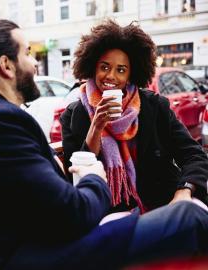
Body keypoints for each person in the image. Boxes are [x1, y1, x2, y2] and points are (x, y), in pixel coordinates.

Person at [0, 19, 208, 270]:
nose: (34, 63)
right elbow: (72, 210)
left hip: (31, 245)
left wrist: (184, 190)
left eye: (121, 70)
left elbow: (47, 199)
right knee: (189, 219)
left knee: (185, 210)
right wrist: (95, 176)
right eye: (27, 53)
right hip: (25, 256)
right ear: (6, 65)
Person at [60, 19, 208, 213]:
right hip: (110, 214)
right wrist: (96, 126)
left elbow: (194, 155)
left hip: (163, 206)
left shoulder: (154, 106)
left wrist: (184, 190)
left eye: (121, 70)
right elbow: (76, 175)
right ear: (93, 67)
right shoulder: (74, 114)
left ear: (131, 75)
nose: (111, 76)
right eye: (104, 67)